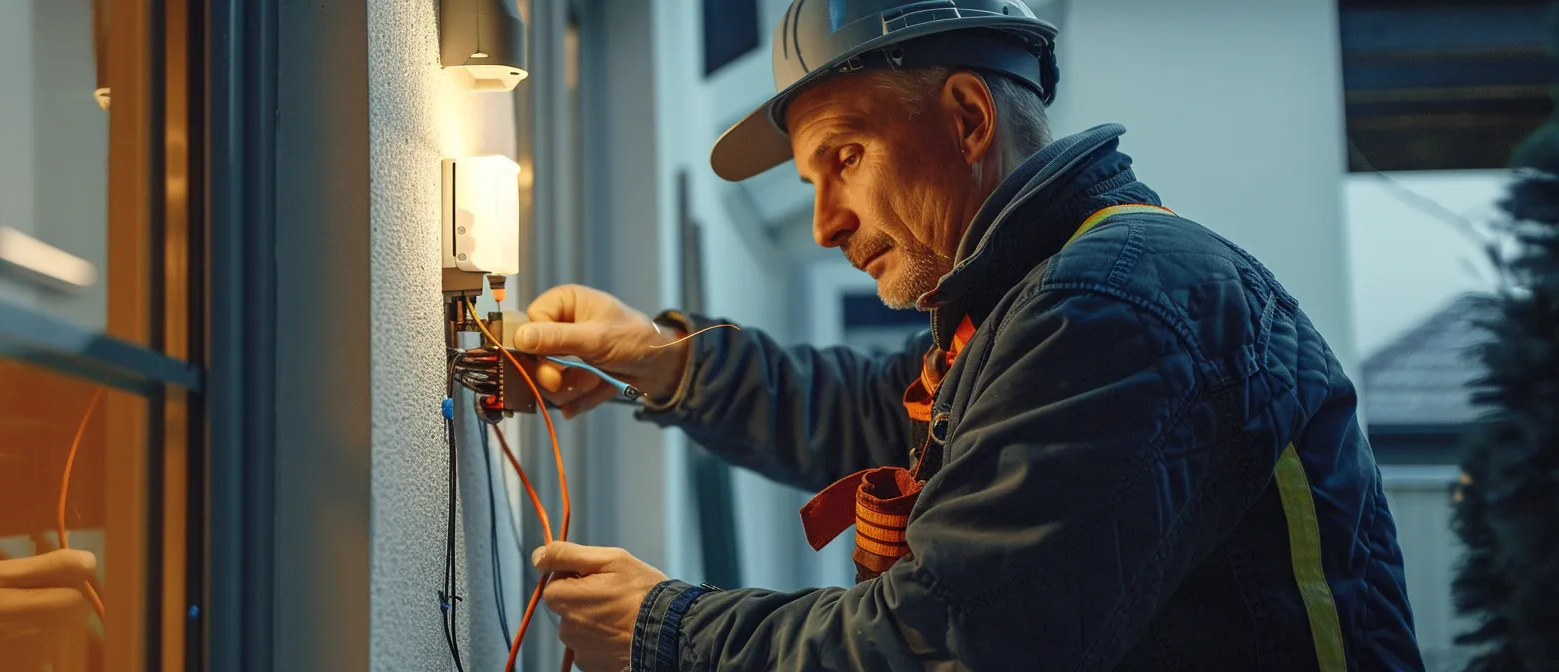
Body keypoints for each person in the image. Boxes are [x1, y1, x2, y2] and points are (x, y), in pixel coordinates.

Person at [514, 1, 1424, 670]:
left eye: (845, 157)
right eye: (810, 182)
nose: (827, 221)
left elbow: (950, 644)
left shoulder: (1113, 305)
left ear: (968, 117)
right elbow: (873, 412)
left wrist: (667, 631)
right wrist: (665, 361)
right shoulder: (1044, 298)